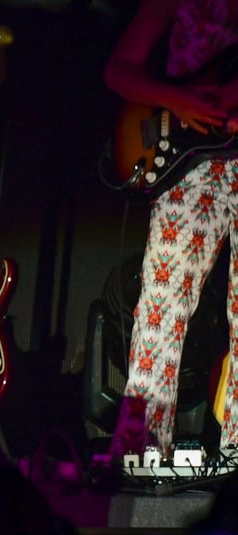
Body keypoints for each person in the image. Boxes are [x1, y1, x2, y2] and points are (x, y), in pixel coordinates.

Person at [105, 0, 238, 461]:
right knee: (160, 311)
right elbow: (119, 70)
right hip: (190, 164)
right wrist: (177, 99)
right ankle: (140, 452)